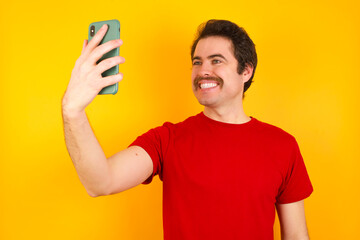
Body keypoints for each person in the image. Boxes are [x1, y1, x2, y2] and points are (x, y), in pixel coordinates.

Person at [62, 19, 313, 240]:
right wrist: (72, 111)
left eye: (217, 61)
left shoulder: (283, 145)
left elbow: (296, 235)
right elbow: (100, 182)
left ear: (246, 71)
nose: (203, 70)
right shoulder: (167, 139)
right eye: (197, 62)